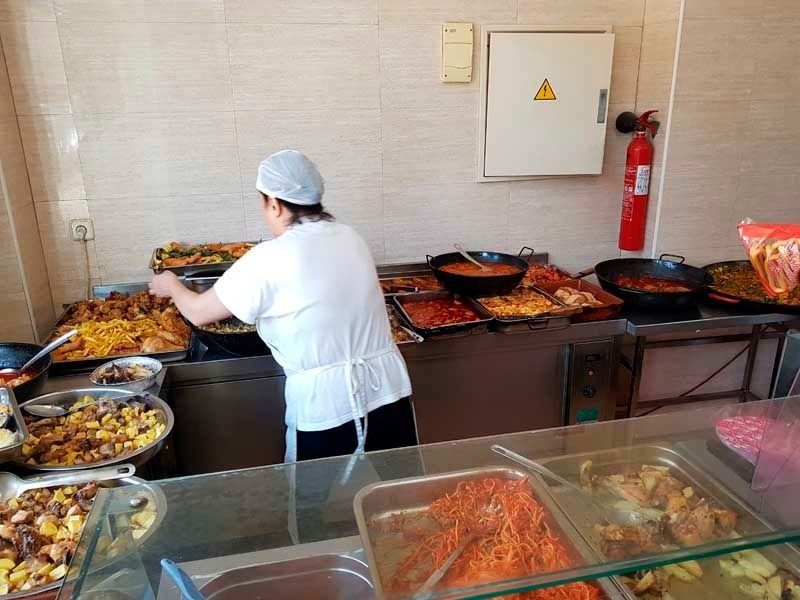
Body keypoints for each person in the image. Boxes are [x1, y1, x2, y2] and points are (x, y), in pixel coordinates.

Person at [149, 150, 416, 462]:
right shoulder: (350, 236)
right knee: (403, 499)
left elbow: (199, 312)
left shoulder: (270, 257)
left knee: (308, 509)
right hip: (389, 390)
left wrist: (172, 285)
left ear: (274, 204)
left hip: (326, 408)